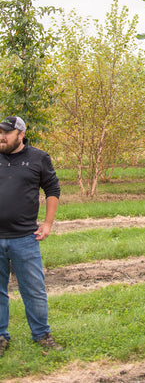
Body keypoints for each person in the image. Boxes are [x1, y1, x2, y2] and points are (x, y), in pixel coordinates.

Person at [0, 115, 62, 355]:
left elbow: (53, 188)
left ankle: (41, 335)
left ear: (20, 134)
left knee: (34, 288)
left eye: (6, 132)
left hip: (25, 237)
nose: (2, 137)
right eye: (0, 132)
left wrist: (47, 224)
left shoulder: (38, 158)